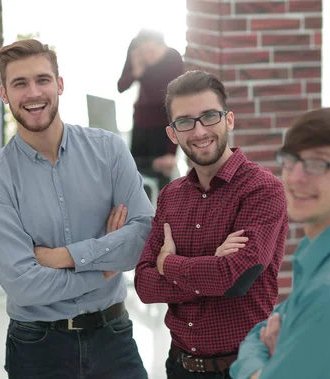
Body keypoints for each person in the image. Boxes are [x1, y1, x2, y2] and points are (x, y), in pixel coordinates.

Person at [0, 39, 155, 379]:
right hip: (38, 347)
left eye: (42, 80)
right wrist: (104, 266)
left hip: (113, 336)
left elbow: (144, 239)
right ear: (4, 94)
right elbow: (23, 284)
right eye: (20, 84)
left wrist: (64, 257)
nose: (33, 93)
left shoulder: (109, 151)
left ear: (59, 84)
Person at [134, 71, 289, 379]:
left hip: (242, 367)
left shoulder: (262, 190)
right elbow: (144, 285)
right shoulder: (171, 195)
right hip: (179, 366)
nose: (199, 130)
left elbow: (234, 279)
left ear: (228, 120)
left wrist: (169, 263)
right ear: (172, 134)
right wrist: (210, 272)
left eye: (209, 116)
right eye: (185, 122)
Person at [230, 108, 330, 379]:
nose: (294, 177)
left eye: (318, 165)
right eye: (291, 160)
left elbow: (258, 342)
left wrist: (257, 369)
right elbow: (262, 331)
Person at [118, 29, 184, 191]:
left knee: (163, 179)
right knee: (135, 175)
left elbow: (178, 105)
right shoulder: (135, 50)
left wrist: (171, 151)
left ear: (163, 46)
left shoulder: (173, 58)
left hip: (164, 125)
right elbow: (121, 86)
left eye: (152, 51)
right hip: (141, 121)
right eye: (144, 51)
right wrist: (137, 71)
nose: (148, 56)